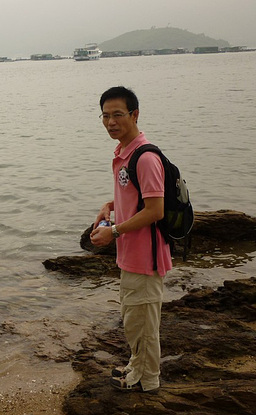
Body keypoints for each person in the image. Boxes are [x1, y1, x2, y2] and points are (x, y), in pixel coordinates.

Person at [90, 86, 172, 393]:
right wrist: (108, 207)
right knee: (134, 320)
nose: (111, 122)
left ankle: (148, 384)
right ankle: (137, 367)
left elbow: (155, 210)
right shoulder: (123, 153)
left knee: (143, 324)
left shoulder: (145, 157)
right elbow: (132, 198)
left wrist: (113, 232)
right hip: (129, 255)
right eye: (105, 115)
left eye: (118, 115)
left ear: (134, 114)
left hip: (145, 258)